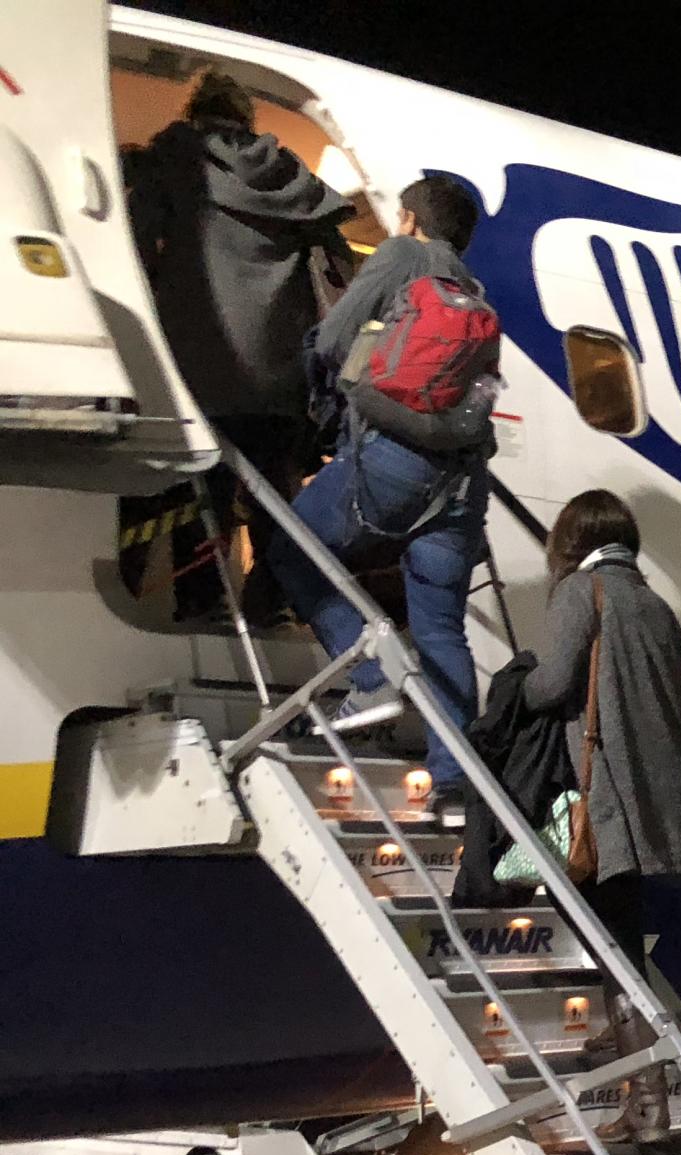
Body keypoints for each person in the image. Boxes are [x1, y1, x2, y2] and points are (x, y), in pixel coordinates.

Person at [261, 174, 495, 816]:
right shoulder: (472, 290)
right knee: (442, 629)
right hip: (461, 481)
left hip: (392, 462)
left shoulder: (400, 257)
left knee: (292, 548)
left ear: (411, 219)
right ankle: (452, 781)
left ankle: (368, 680)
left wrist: (348, 392)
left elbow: (335, 339)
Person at [122, 69, 351, 620]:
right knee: (274, 492)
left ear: (195, 109)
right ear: (246, 118)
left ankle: (203, 601)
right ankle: (268, 601)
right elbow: (340, 265)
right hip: (278, 372)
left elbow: (134, 239)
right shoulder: (288, 175)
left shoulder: (173, 162)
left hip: (200, 363)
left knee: (200, 489)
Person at [520, 491, 681, 1144]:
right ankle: (622, 1027)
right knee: (617, 934)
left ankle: (645, 1098)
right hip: (655, 801)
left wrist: (517, 680)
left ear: (570, 541)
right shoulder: (656, 606)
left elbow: (552, 684)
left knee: (607, 939)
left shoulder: (581, 594)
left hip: (601, 804)